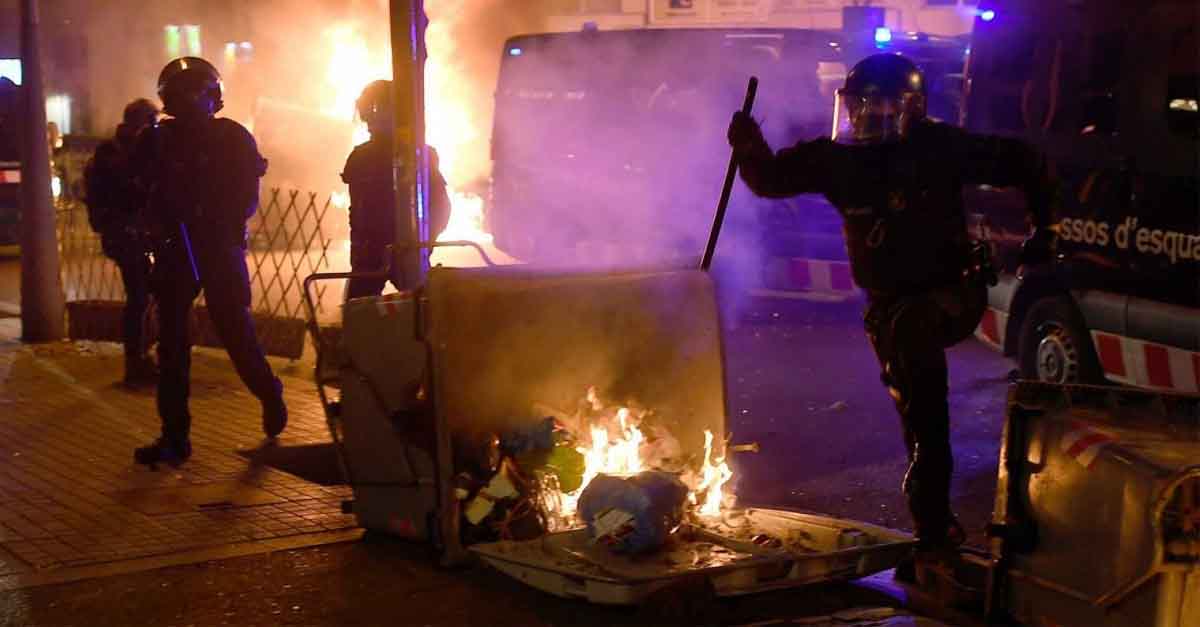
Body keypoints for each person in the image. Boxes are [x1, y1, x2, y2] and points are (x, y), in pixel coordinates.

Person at [728, 54, 1057, 559]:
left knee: (924, 397)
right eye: (860, 105)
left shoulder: (941, 147)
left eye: (882, 104)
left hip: (948, 295)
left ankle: (932, 525)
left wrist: (1045, 230)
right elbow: (772, 179)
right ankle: (931, 513)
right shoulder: (837, 158)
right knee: (912, 403)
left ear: (912, 108)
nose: (869, 115)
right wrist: (750, 149)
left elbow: (1027, 162)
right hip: (887, 305)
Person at [132, 57, 287, 466]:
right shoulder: (157, 140)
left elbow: (246, 200)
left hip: (217, 247)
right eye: (180, 92)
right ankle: (174, 436)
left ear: (211, 96)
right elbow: (137, 190)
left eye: (194, 91)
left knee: (236, 333)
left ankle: (269, 393)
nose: (187, 100)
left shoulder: (232, 138)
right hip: (175, 250)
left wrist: (209, 218)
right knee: (173, 348)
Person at [341, 79, 451, 299]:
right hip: (376, 253)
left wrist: (424, 242)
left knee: (416, 313)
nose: (372, 120)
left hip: (400, 250)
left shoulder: (419, 156)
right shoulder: (362, 157)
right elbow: (357, 212)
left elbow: (440, 206)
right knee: (366, 311)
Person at [83, 99, 160, 386]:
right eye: (151, 121)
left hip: (134, 233)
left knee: (147, 295)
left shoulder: (125, 150)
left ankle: (142, 356)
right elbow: (130, 191)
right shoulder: (114, 154)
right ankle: (135, 361)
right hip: (125, 234)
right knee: (140, 297)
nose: (155, 127)